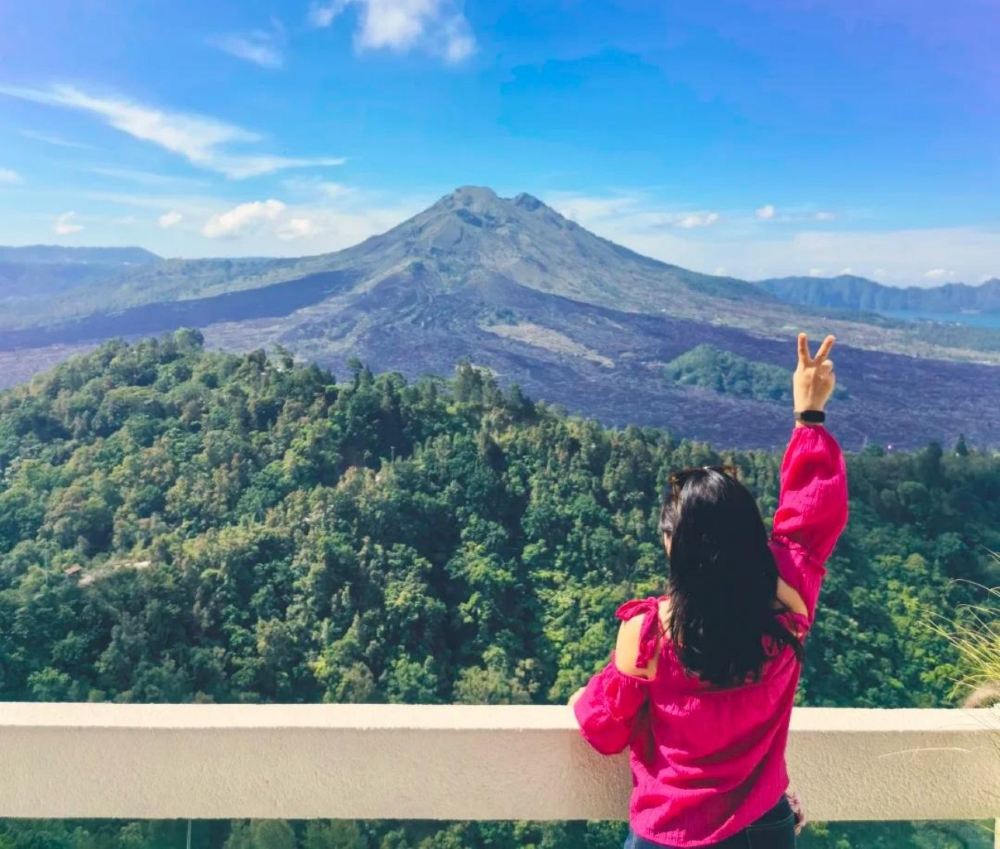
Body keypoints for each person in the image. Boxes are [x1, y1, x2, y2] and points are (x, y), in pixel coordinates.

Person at [570, 332, 849, 848]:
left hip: (669, 833)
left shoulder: (648, 633)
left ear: (673, 546)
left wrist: (583, 698)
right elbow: (814, 511)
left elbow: (604, 730)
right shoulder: (785, 604)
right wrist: (808, 415)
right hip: (763, 830)